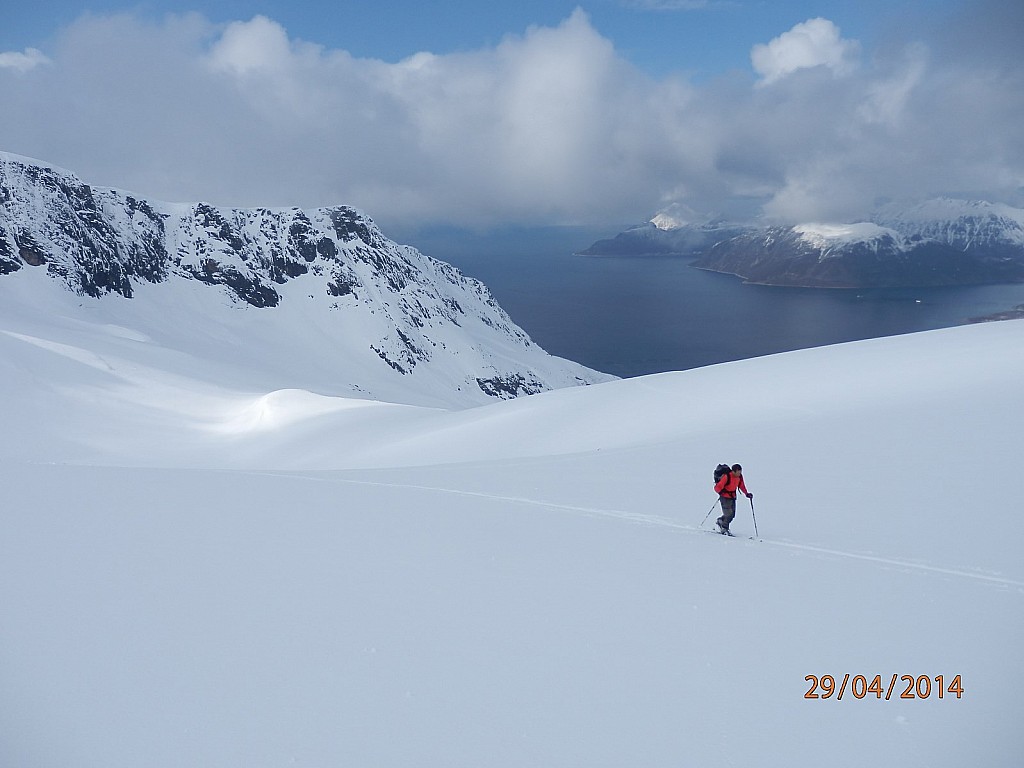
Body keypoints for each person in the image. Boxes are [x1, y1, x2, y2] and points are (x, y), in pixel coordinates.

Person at [714, 463, 753, 535]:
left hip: (732, 496)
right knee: (728, 514)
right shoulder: (727, 476)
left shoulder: (739, 477)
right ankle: (724, 528)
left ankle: (721, 521)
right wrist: (721, 492)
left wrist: (746, 493)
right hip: (725, 497)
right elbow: (717, 487)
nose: (740, 474)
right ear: (733, 471)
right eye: (738, 472)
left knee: (732, 515)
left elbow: (741, 485)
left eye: (740, 472)